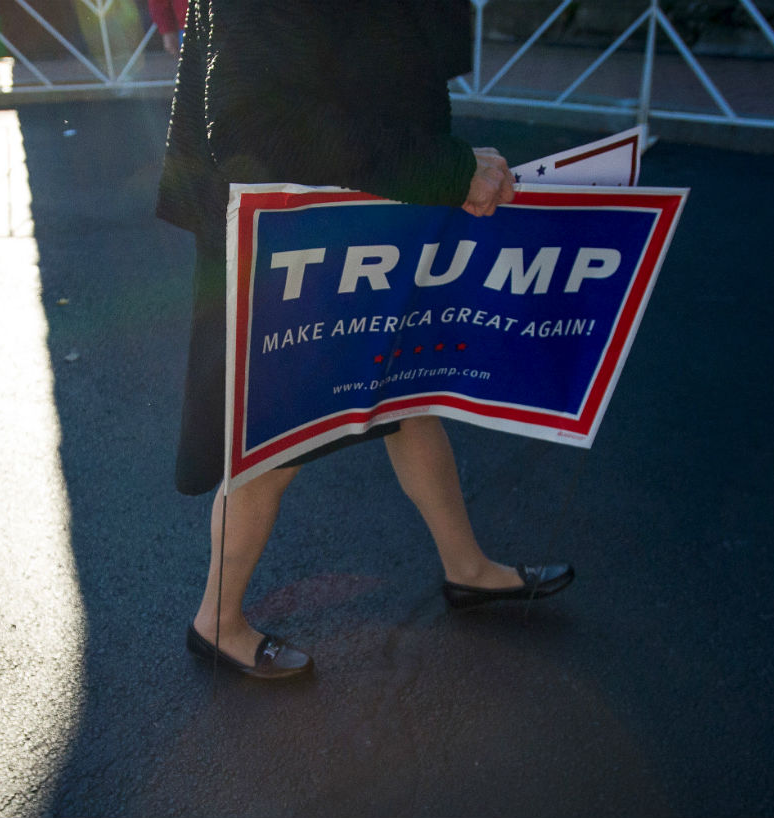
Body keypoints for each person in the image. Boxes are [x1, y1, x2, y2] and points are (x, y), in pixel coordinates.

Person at [156, 0, 575, 681]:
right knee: (277, 432)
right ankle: (217, 621)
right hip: (295, 231)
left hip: (365, 212)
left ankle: (467, 568)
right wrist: (442, 168)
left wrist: (438, 173)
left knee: (404, 391)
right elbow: (250, 117)